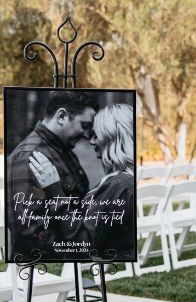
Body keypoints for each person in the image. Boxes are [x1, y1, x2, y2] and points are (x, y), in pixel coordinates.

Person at [29, 103, 136, 261]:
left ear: (113, 137)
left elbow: (83, 244)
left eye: (96, 135)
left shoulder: (119, 184)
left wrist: (54, 190)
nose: (91, 141)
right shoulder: (125, 180)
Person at [6, 91, 98, 260]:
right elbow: (29, 231)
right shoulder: (27, 156)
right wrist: (77, 252)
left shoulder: (63, 149)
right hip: (43, 271)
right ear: (62, 116)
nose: (86, 135)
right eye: (84, 125)